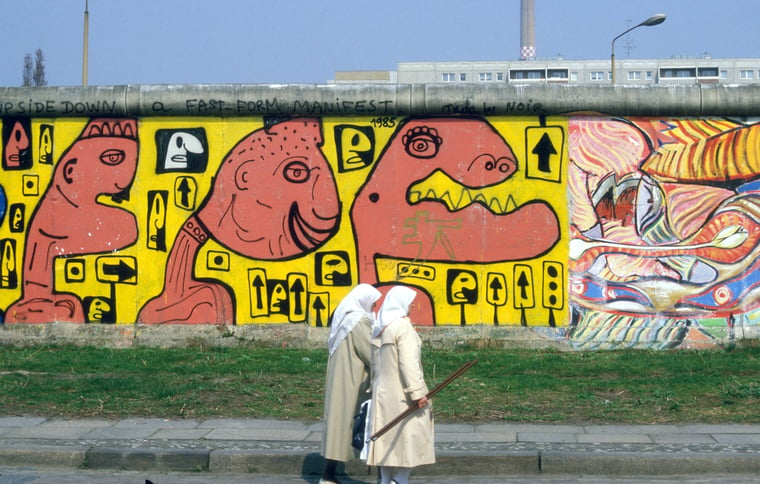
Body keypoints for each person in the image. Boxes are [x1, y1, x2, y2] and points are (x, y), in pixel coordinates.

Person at [366, 286, 435, 484]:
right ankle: (401, 480)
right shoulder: (403, 328)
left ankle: (386, 481)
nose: (413, 305)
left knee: (387, 439)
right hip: (402, 394)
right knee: (410, 437)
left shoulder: (381, 327)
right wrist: (418, 393)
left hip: (383, 392)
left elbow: (375, 364)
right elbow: (408, 364)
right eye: (410, 301)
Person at [320, 283, 381, 484]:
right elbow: (371, 352)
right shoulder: (358, 320)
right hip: (352, 381)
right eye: (372, 304)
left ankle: (329, 474)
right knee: (350, 423)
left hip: (341, 378)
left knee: (338, 424)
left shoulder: (345, 317)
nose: (373, 309)